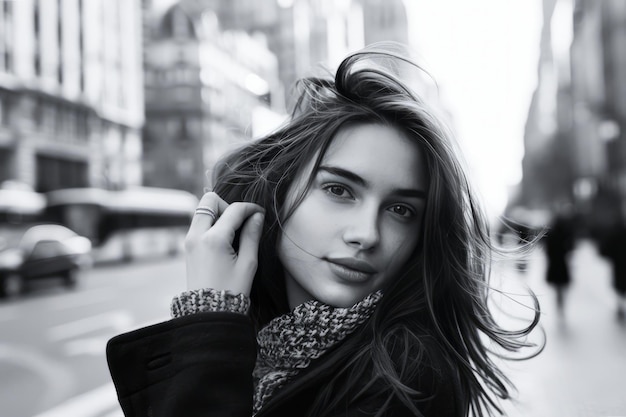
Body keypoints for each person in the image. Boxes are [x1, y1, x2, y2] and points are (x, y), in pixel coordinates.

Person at [106, 44, 541, 417]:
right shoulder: (264, 349)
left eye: (401, 210)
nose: (367, 234)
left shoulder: (406, 385)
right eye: (339, 189)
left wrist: (208, 321)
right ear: (277, 194)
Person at [544, 209, 575, 315]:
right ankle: (561, 304)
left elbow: (547, 249)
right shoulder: (565, 232)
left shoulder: (551, 233)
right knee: (561, 286)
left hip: (554, 263)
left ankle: (559, 304)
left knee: (557, 286)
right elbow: (570, 246)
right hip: (562, 263)